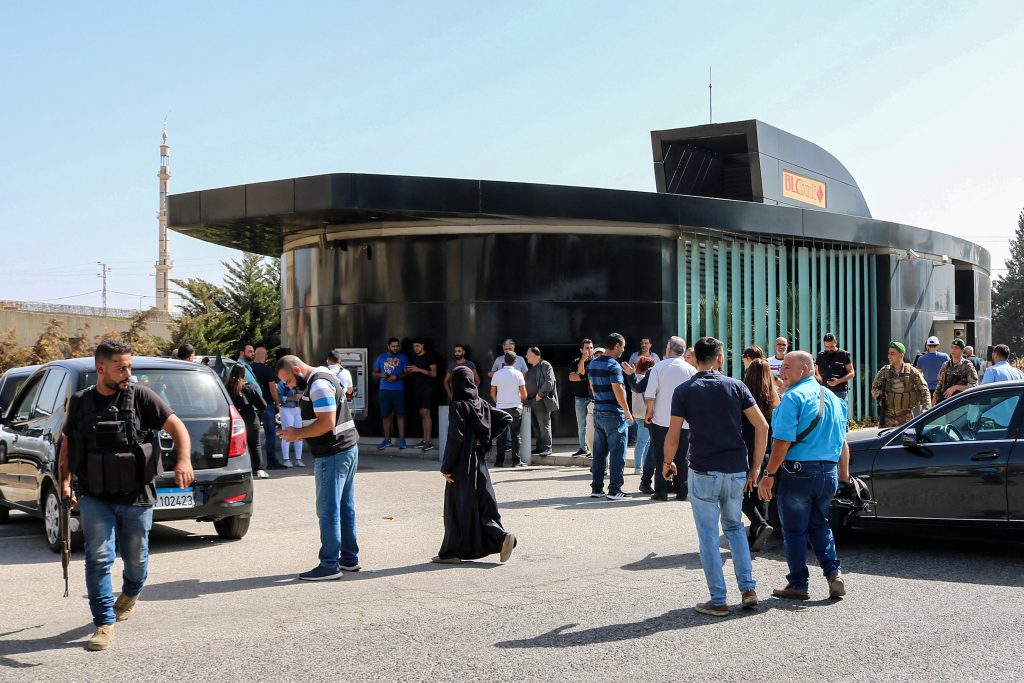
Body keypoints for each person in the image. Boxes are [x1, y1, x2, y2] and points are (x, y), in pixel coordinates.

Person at [57, 340, 194, 651]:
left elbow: (177, 427)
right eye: (121, 367)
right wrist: (64, 481)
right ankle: (104, 623)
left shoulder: (141, 396)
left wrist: (184, 460)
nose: (127, 373)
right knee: (98, 558)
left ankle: (131, 592)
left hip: (136, 494)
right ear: (101, 368)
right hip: (95, 494)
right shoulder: (80, 402)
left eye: (129, 366)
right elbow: (67, 445)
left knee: (135, 559)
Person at [663, 337, 768, 615]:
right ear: (720, 359)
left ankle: (719, 600)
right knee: (734, 528)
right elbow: (762, 425)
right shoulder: (736, 386)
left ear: (695, 359)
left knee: (708, 536)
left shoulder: (684, 390)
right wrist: (756, 467)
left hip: (703, 469)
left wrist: (667, 462)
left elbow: (673, 434)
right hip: (736, 469)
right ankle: (748, 588)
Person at [757, 351, 850, 601]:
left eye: (787, 367)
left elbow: (782, 442)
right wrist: (845, 476)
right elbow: (843, 443)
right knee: (820, 524)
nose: (781, 371)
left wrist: (769, 474)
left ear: (806, 369)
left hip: (798, 472)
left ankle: (798, 583)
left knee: (795, 530)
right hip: (827, 473)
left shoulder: (793, 398)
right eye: (781, 367)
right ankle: (834, 573)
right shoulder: (834, 398)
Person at [277, 354, 361, 580]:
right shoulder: (325, 377)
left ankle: (329, 565)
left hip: (333, 453)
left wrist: (297, 434)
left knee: (328, 510)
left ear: (296, 370)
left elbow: (326, 422)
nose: (288, 386)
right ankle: (349, 559)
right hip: (345, 448)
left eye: (288, 381)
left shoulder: (318, 385)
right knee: (344, 507)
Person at [434, 366, 517, 564]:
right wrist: (484, 438)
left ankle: (452, 552)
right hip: (479, 463)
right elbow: (506, 417)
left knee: (457, 508)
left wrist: (446, 467)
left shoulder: (458, 406)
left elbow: (455, 438)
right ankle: (501, 538)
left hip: (462, 465)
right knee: (481, 504)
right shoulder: (482, 404)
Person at [643, 336, 696, 501]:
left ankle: (661, 490)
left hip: (661, 419)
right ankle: (682, 490)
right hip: (685, 421)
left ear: (669, 349)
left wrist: (649, 412)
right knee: (683, 457)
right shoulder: (691, 370)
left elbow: (650, 394)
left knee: (661, 455)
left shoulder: (658, 368)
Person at [588, 333, 634, 500]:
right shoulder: (613, 365)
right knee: (617, 453)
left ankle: (597, 488)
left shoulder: (593, 363)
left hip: (598, 411)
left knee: (599, 453)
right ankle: (615, 490)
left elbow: (593, 387)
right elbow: (618, 389)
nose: (623, 349)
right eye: (622, 346)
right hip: (614, 414)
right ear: (616, 346)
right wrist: (627, 411)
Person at [741, 358, 779, 551]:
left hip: (747, 450)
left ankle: (759, 524)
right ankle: (757, 531)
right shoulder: (775, 398)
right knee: (761, 493)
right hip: (769, 451)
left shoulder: (744, 397)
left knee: (739, 490)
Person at [871, 342, 931, 427]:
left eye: (892, 354)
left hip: (906, 417)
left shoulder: (912, 372)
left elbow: (924, 390)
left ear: (901, 355)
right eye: (889, 354)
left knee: (906, 439)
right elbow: (874, 388)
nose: (889, 356)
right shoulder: (885, 371)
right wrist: (881, 395)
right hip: (888, 417)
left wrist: (926, 407)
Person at [226, 364, 269, 479]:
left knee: (236, 445)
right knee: (255, 445)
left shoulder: (226, 387)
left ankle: (236, 468)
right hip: (250, 418)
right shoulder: (249, 387)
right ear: (244, 374)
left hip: (234, 420)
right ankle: (258, 469)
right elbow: (262, 405)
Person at [490, 352, 527, 467]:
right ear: (515, 361)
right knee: (516, 435)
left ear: (504, 361)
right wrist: (520, 402)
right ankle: (516, 461)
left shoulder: (497, 374)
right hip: (516, 407)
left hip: (501, 408)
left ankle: (499, 461)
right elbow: (524, 393)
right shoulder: (518, 374)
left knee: (501, 436)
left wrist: (498, 402)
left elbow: (492, 392)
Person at [372, 337, 409, 450]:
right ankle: (387, 439)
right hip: (384, 390)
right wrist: (381, 375)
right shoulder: (381, 357)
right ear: (388, 346)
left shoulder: (403, 357)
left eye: (397, 346)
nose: (395, 348)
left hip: (398, 390)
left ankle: (402, 440)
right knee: (386, 415)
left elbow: (407, 374)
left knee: (400, 414)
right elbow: (374, 372)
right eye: (393, 346)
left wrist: (396, 377)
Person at [622, 356, 655, 476]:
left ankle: (641, 465)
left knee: (643, 441)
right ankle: (639, 467)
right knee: (643, 442)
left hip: (637, 413)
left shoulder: (635, 378)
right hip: (646, 414)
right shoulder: (647, 379)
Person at [252, 345, 282, 469]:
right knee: (270, 433)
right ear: (265, 356)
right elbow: (273, 389)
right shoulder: (267, 369)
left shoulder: (249, 369)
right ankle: (271, 461)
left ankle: (255, 463)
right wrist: (277, 403)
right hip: (267, 404)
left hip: (252, 405)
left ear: (254, 355)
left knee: (253, 435)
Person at [525, 347, 558, 457]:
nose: (526, 356)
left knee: (544, 425)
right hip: (530, 401)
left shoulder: (545, 365)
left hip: (540, 400)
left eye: (528, 354)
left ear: (534, 355)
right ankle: (539, 447)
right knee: (536, 426)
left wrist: (540, 394)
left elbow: (549, 382)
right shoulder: (531, 368)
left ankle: (547, 448)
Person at [408, 338, 439, 452]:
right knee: (422, 414)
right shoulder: (414, 357)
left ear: (422, 345)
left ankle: (429, 441)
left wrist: (419, 369)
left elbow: (434, 373)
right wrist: (410, 371)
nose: (416, 348)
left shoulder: (430, 356)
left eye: (417, 346)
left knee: (426, 413)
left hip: (427, 389)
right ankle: (425, 440)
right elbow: (413, 375)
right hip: (417, 389)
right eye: (414, 346)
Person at [568, 338, 594, 457]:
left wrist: (580, 376)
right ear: (581, 349)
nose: (589, 350)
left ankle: (591, 449)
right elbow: (575, 375)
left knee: (592, 424)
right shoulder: (576, 361)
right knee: (581, 424)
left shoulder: (595, 362)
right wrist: (583, 361)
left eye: (591, 347)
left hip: (592, 398)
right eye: (587, 348)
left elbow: (580, 376)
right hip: (579, 398)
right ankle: (582, 448)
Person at [933, 338, 979, 404]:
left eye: (956, 348)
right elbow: (939, 386)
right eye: (952, 347)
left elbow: (974, 386)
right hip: (945, 402)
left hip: (960, 403)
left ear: (962, 351)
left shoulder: (967, 365)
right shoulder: (945, 365)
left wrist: (956, 387)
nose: (953, 350)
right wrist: (933, 402)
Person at [814, 333, 855, 402]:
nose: (829, 349)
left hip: (840, 392)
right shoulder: (820, 355)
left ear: (835, 342)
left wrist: (838, 381)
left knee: (840, 412)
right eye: (827, 347)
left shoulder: (843, 355)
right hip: (824, 391)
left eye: (831, 346)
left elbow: (852, 373)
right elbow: (816, 370)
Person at [277, 375, 305, 467]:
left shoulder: (300, 382)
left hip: (297, 409)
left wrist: (301, 396)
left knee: (299, 433)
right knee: (286, 432)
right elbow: (279, 397)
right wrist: (292, 398)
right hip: (286, 409)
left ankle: (298, 459)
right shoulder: (282, 383)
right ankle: (286, 459)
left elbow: (305, 393)